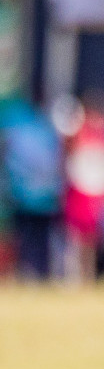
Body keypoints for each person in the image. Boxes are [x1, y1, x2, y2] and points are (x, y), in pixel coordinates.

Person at [0, 97, 62, 279]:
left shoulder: (20, 127)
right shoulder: (44, 129)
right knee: (35, 240)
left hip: (29, 197)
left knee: (29, 240)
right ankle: (35, 272)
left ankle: (31, 272)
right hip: (38, 197)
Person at [59, 90, 104, 282]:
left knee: (92, 238)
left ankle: (88, 276)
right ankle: (71, 277)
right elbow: (69, 152)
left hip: (96, 192)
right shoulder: (78, 130)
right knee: (74, 236)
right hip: (79, 190)